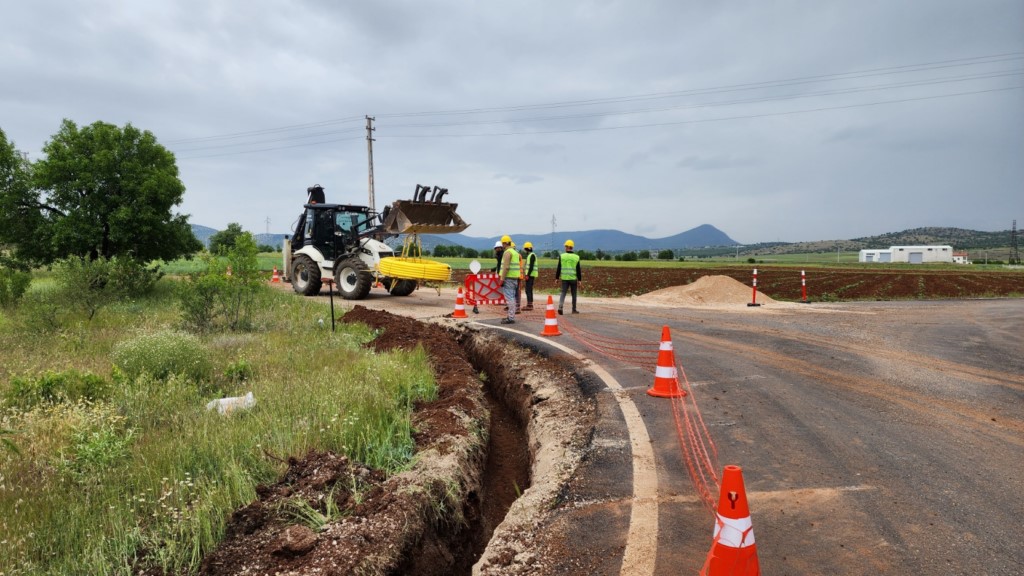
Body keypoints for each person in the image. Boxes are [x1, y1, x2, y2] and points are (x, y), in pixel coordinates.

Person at [497, 235, 520, 324]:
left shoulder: (507, 253)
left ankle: (510, 318)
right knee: (512, 297)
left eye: (503, 243)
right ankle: (511, 316)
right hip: (514, 278)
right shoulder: (515, 252)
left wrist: (502, 279)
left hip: (508, 278)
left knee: (509, 298)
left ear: (506, 243)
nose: (502, 245)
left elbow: (506, 267)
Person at [555, 239, 581, 315]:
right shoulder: (576, 257)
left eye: (565, 246)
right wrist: (579, 280)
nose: (565, 247)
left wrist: (557, 278)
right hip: (573, 279)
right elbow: (578, 269)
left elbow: (559, 268)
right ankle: (574, 309)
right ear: (572, 247)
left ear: (567, 247)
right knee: (574, 294)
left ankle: (560, 307)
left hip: (565, 278)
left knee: (563, 293)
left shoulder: (562, 256)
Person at [521, 241, 538, 311]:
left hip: (530, 275)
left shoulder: (532, 255)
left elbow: (531, 266)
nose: (524, 251)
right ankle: (529, 304)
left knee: (528, 290)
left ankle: (529, 305)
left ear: (526, 249)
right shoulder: (531, 255)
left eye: (525, 249)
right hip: (530, 275)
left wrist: (527, 275)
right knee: (528, 290)